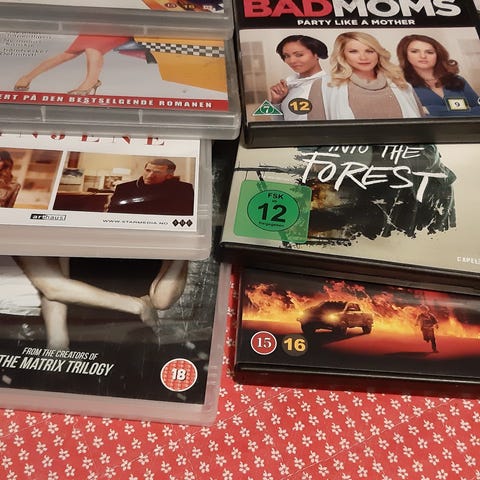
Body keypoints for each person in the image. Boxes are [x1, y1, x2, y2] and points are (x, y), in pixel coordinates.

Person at [14, 256, 188, 350]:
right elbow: (54, 289)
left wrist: (183, 252)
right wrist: (58, 343)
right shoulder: (76, 223)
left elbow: (162, 300)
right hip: (83, 331)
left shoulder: (158, 223)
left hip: (133, 336)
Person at [308, 31, 424, 120]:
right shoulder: (324, 85)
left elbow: (422, 129)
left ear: (378, 54)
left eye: (369, 51)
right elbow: (315, 133)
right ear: (342, 55)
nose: (363, 57)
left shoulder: (401, 85)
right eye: (353, 51)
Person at [13, 34, 131, 95]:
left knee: (92, 48)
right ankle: (27, 77)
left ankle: (91, 81)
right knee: (68, 54)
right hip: (97, 20)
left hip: (121, 24)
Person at [396, 34, 480, 116]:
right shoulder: (400, 84)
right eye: (414, 51)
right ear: (405, 55)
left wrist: (431, 110)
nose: (423, 56)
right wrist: (464, 112)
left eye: (429, 52)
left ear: (438, 55)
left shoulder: (457, 80)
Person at [269, 35, 328, 121]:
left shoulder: (330, 85)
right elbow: (278, 125)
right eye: (287, 56)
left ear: (316, 55)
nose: (292, 61)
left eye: (299, 55)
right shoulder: (289, 85)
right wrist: (276, 102)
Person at [107, 158, 194, 215]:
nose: (150, 176)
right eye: (148, 170)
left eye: (157, 172)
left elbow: (188, 215)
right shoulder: (123, 188)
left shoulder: (184, 189)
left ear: (169, 176)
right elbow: (113, 215)